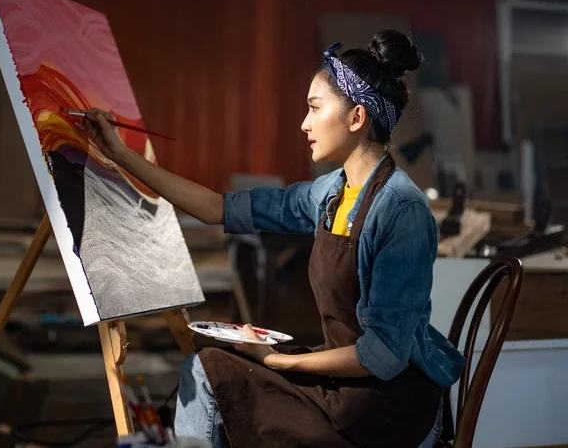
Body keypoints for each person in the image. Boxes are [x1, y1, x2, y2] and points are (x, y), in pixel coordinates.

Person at [82, 29, 466, 448]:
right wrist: (121, 155)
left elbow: (385, 356)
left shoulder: (402, 210)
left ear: (356, 118)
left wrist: (281, 361)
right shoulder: (330, 193)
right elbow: (217, 209)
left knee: (214, 376)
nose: (304, 124)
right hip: (347, 387)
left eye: (314, 108)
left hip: (392, 406)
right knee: (210, 367)